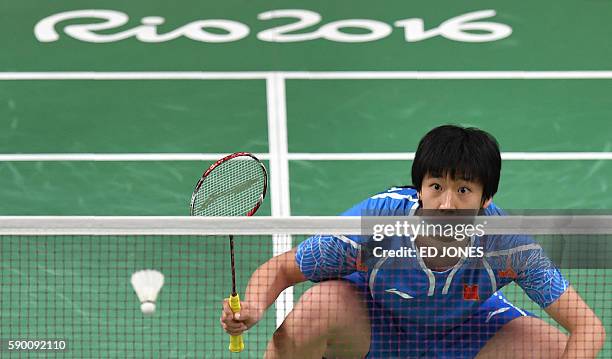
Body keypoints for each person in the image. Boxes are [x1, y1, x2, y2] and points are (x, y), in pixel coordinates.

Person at [220, 125, 606, 358]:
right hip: (375, 325)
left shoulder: (508, 244)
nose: (447, 203)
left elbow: (588, 328)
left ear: (486, 199)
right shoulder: (375, 224)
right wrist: (253, 305)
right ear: (420, 187)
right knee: (312, 312)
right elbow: (284, 267)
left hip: (465, 333)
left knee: (555, 350)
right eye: (436, 186)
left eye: (464, 190)